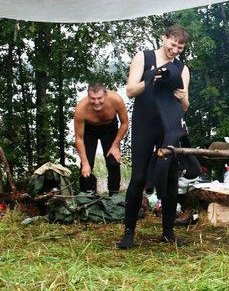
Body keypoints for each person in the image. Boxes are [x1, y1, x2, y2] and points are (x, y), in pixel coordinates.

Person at [117, 25, 191, 249]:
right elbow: (130, 91)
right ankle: (129, 232)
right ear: (164, 38)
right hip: (144, 124)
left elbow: (185, 106)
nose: (175, 50)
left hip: (168, 128)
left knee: (170, 178)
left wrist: (182, 97)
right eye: (173, 44)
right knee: (139, 177)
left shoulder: (182, 68)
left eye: (180, 48)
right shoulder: (144, 57)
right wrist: (151, 78)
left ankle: (168, 232)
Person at [73, 83, 129, 194]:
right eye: (92, 98)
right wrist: (84, 162)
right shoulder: (81, 109)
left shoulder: (116, 100)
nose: (96, 102)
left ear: (106, 95)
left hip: (110, 129)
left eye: (99, 98)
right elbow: (79, 138)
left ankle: (114, 195)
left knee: (113, 162)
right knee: (87, 165)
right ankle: (86, 197)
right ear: (88, 96)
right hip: (89, 131)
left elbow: (125, 123)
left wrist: (116, 145)